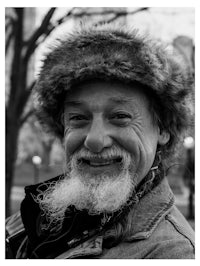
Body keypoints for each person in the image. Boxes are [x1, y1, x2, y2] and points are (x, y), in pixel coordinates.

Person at [6, 24, 195, 259]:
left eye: (120, 117)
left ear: (163, 129)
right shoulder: (37, 217)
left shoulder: (172, 252)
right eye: (78, 118)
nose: (94, 140)